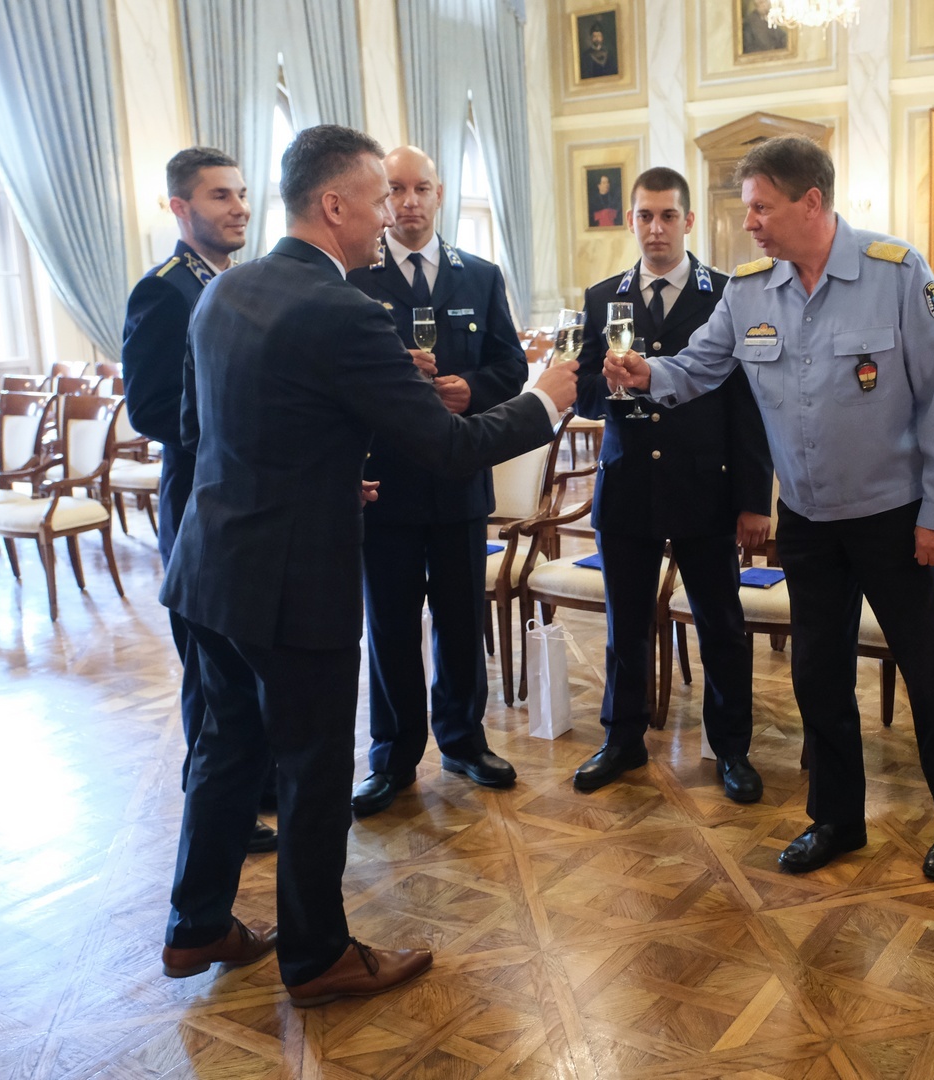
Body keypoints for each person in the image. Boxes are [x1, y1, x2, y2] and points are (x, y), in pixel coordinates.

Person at [157, 124, 578, 1007]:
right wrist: (545, 399)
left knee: (226, 748)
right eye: (381, 198)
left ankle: (196, 926)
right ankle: (318, 958)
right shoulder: (343, 308)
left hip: (208, 566)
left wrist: (327, 477)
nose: (392, 213)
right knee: (313, 768)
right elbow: (448, 448)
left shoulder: (225, 291)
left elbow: (207, 433)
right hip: (289, 581)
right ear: (335, 205)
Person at [605, 136, 934, 881]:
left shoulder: (898, 273)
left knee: (931, 675)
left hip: (896, 516)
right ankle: (837, 819)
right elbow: (702, 366)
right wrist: (649, 373)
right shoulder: (749, 290)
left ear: (811, 202)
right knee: (818, 675)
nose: (748, 223)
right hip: (808, 519)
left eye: (761, 208)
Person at [572, 166, 773, 800]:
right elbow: (582, 391)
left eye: (666, 216)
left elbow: (747, 406)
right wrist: (605, 386)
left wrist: (753, 500)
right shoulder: (603, 297)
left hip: (704, 486)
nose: (655, 228)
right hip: (628, 484)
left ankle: (731, 748)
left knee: (721, 625)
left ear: (688, 220)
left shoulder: (726, 295)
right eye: (644, 216)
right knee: (625, 625)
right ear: (631, 221)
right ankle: (622, 739)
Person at [344, 146, 528, 818]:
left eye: (421, 188)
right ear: (381, 198)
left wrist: (470, 389)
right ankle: (392, 757)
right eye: (395, 189)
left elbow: (511, 368)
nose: (409, 202)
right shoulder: (353, 280)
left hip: (457, 482)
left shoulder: (478, 275)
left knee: (460, 619)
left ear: (440, 194)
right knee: (391, 626)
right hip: (386, 483)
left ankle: (464, 740)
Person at [120, 148, 278, 854]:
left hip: (249, 496)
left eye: (241, 193)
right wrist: (243, 428)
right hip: (199, 502)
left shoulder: (240, 284)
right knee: (212, 673)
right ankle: (220, 815)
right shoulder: (166, 292)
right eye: (220, 196)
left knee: (248, 662)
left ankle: (257, 782)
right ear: (181, 208)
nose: (240, 207)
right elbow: (152, 408)